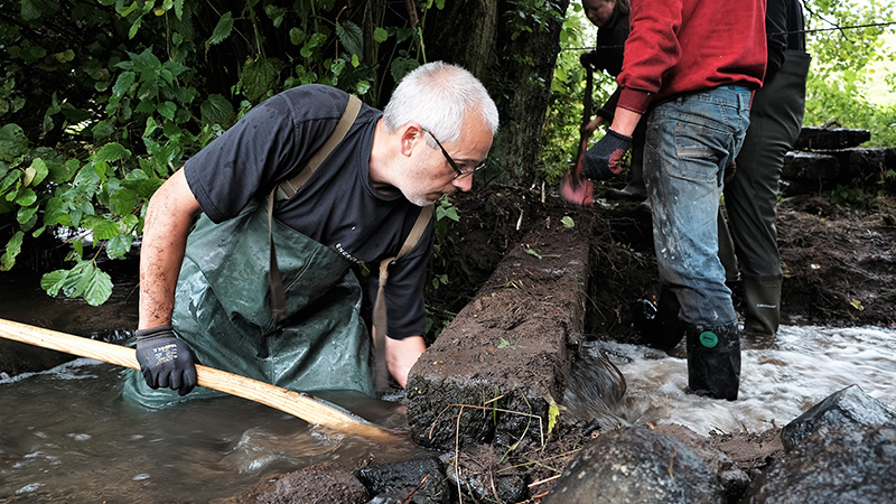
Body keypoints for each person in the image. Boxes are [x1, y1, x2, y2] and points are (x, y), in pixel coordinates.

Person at [123, 62, 499, 406]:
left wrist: (434, 407)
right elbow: (169, 204)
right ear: (411, 139)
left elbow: (400, 342)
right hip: (209, 308)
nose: (465, 186)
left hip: (309, 331)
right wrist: (155, 333)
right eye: (460, 166)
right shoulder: (306, 121)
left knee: (354, 407)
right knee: (157, 409)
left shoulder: (416, 221)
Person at [581, 0, 766, 400]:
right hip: (732, 105)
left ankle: (713, 398)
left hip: (687, 108)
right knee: (688, 241)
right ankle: (665, 336)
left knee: (689, 258)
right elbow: (747, 41)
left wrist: (619, 132)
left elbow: (653, 35)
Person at [724, 0, 811, 337]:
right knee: (702, 188)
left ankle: (762, 332)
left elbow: (771, 51)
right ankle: (726, 282)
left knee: (753, 212)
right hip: (758, 101)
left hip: (764, 105)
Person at [578, 0, 648, 201]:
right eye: (586, 10)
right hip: (634, 86)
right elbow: (613, 56)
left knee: (649, 136)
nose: (591, 15)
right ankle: (637, 186)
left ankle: (646, 189)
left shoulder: (626, 26)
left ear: (612, 2)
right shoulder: (607, 28)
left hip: (646, 88)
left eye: (596, 8)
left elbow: (630, 81)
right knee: (640, 133)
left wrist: (598, 120)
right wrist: (595, 59)